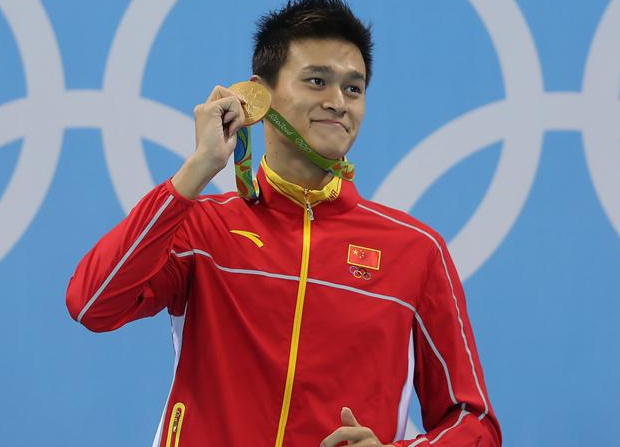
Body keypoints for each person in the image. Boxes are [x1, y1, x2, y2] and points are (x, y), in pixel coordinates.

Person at [66, 1, 502, 446]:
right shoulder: (202, 228)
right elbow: (92, 303)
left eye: (353, 88)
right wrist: (198, 168)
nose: (338, 103)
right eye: (317, 81)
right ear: (259, 95)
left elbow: (474, 423)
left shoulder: (416, 251)